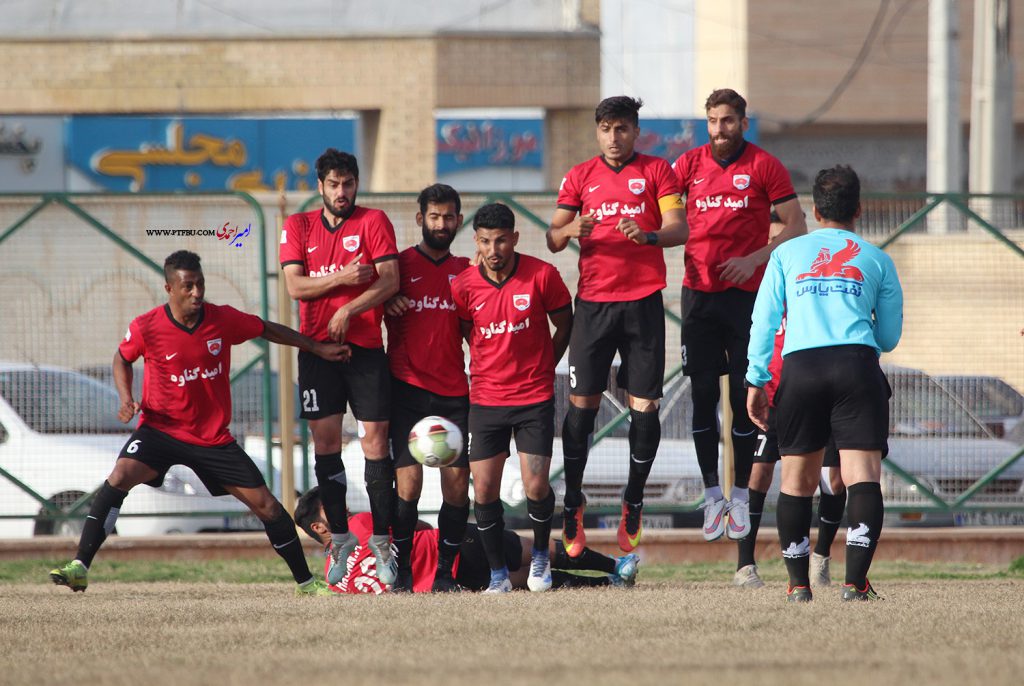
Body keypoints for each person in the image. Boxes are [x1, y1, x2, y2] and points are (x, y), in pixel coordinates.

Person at [49, 250, 348, 596]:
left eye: (200, 284)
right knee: (118, 477)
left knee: (267, 505)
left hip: (212, 439)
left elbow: (266, 329)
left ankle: (306, 584)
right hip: (160, 430)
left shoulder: (222, 320)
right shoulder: (147, 326)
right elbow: (122, 357)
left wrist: (315, 347)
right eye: (188, 286)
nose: (197, 293)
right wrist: (125, 397)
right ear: (169, 288)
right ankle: (80, 567)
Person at [746, 165, 903, 602]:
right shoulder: (877, 258)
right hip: (856, 366)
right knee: (862, 478)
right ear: (859, 210)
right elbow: (888, 337)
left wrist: (756, 379)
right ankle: (855, 583)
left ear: (814, 211)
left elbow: (763, 322)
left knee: (795, 481)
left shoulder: (786, 254)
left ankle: (798, 585)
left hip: (801, 369)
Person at [547, 95, 687, 557]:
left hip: (643, 304)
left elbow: (678, 228)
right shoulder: (580, 175)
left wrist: (646, 235)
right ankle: (572, 503)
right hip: (593, 306)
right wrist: (570, 232)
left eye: (622, 128)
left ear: (635, 131)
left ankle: (633, 500)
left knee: (643, 407)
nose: (613, 137)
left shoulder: (657, 172)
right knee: (581, 406)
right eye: (606, 128)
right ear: (597, 131)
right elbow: (552, 235)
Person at [672, 88, 807, 544]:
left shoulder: (764, 165)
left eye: (727, 121)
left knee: (745, 397)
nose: (719, 130)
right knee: (703, 393)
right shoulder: (688, 164)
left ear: (743, 123)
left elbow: (796, 224)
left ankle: (739, 495)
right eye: (712, 121)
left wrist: (755, 258)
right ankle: (712, 496)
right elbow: (668, 216)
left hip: (748, 298)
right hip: (699, 298)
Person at [279, 148, 401, 586]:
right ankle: (343, 541)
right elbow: (296, 286)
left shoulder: (374, 221)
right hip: (317, 353)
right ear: (320, 186)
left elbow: (391, 279)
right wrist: (343, 279)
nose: (342, 192)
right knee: (325, 443)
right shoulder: (299, 225)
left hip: (365, 349)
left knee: (376, 442)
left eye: (348, 183)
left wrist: (348, 308)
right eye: (333, 184)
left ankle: (385, 543)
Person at [451, 203, 573, 593]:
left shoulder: (543, 275)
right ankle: (498, 575)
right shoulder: (464, 285)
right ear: (476, 242)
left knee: (536, 486)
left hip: (533, 398)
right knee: (484, 490)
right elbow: (466, 330)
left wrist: (546, 361)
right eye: (485, 241)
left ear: (514, 238)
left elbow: (565, 320)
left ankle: (540, 557)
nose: (493, 248)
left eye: (501, 239)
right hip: (486, 401)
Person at [733, 212, 848, 590]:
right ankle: (745, 564)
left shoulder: (810, 281)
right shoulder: (757, 286)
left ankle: (822, 557)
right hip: (773, 395)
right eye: (769, 242)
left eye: (780, 240)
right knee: (758, 474)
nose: (775, 248)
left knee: (832, 479)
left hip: (814, 391)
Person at [293, 487, 639, 593]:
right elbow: (417, 529)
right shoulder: (358, 523)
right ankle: (615, 567)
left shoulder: (334, 579)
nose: (342, 509)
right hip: (457, 547)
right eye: (331, 509)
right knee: (539, 554)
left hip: (452, 581)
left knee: (528, 582)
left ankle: (609, 584)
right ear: (320, 528)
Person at [383, 183, 472, 592]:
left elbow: (478, 331)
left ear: (458, 219)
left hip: (453, 393)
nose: (442, 224)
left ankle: (444, 574)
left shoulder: (467, 272)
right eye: (434, 217)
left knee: (455, 485)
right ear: (420, 219)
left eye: (449, 217)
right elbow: (368, 304)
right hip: (405, 390)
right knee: (409, 485)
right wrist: (385, 302)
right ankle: (401, 572)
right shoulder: (396, 268)